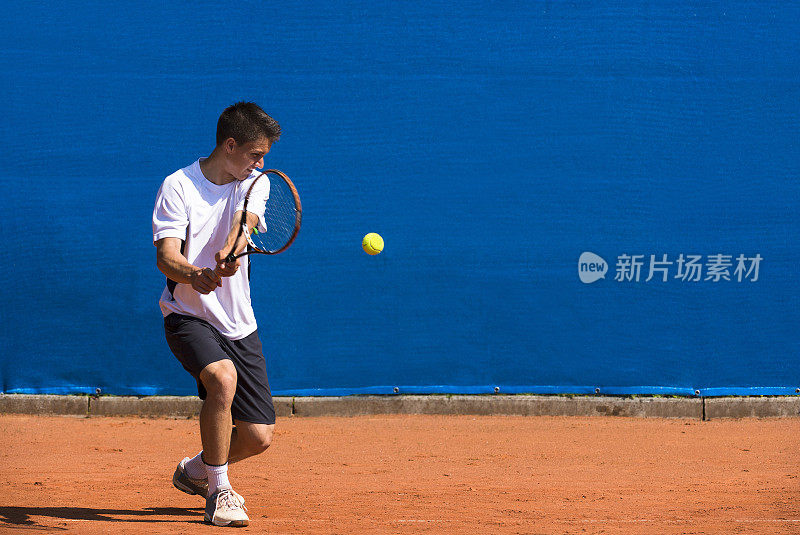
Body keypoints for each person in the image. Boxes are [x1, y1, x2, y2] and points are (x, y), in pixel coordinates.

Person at [152, 102, 281, 527]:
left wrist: (229, 249)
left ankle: (194, 470)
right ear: (230, 145)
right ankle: (218, 491)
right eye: (255, 153)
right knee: (222, 379)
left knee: (258, 438)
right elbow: (167, 258)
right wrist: (195, 274)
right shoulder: (178, 186)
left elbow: (245, 221)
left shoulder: (256, 180)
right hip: (186, 315)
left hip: (239, 321)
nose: (262, 163)